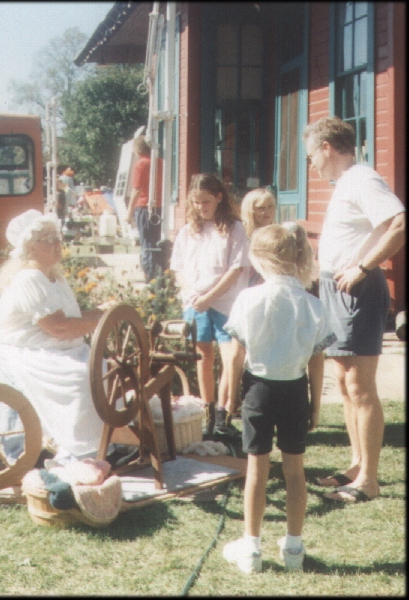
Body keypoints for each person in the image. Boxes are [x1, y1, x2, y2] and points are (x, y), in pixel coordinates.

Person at [220, 223, 337, 573]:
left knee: (257, 470)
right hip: (295, 390)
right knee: (295, 473)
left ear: (259, 260)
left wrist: (228, 397)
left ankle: (252, 548)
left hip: (258, 390)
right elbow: (318, 360)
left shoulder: (248, 299)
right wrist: (315, 403)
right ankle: (294, 549)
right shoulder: (313, 304)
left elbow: (236, 355)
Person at [304, 116, 405, 503]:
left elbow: (398, 224)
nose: (312, 163)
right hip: (335, 287)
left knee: (360, 387)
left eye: (312, 155)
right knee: (345, 385)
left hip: (357, 291)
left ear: (327, 147)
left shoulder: (363, 179)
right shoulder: (347, 183)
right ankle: (357, 465)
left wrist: (363, 267)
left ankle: (369, 481)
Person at [0, 209, 106, 463]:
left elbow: (69, 316)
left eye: (57, 237)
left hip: (54, 349)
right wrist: (101, 321)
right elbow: (59, 328)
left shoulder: (53, 277)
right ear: (29, 247)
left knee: (103, 367)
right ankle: (81, 449)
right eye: (48, 239)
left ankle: (105, 442)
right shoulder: (29, 278)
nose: (57, 243)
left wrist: (103, 311)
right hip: (25, 353)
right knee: (80, 377)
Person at [169, 173, 250, 438]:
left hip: (226, 302)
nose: (201, 207)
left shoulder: (234, 228)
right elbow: (178, 268)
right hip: (195, 302)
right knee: (204, 357)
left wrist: (210, 297)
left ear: (219, 197)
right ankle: (207, 413)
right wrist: (193, 294)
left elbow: (236, 269)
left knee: (231, 359)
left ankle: (224, 415)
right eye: (195, 202)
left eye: (205, 201)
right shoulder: (188, 231)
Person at [126, 136, 162, 282]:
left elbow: (136, 190)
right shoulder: (160, 163)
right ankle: (157, 274)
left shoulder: (140, 164)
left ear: (138, 149)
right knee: (156, 241)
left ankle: (149, 275)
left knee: (146, 242)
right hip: (160, 207)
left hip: (144, 206)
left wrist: (129, 214)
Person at [241, 188, 277, 287]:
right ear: (250, 211)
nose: (267, 211)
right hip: (248, 281)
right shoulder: (243, 234)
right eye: (261, 208)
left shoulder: (276, 232)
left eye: (271, 207)